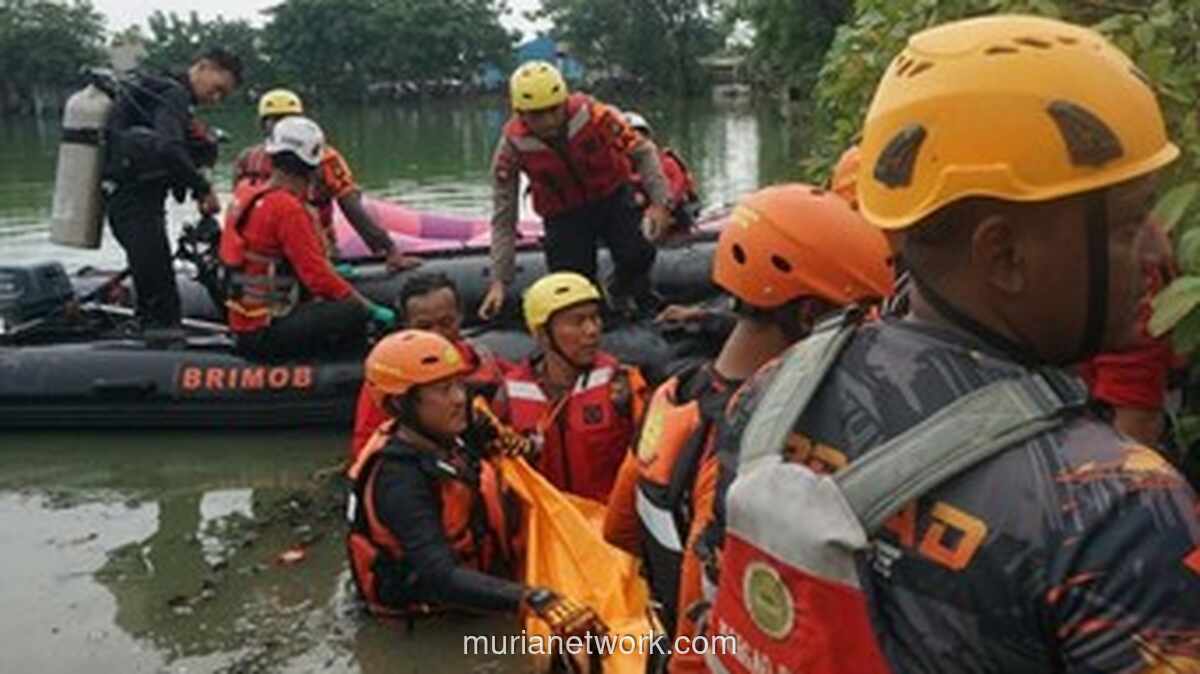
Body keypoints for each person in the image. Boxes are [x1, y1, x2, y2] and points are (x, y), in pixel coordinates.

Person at [704, 15, 1200, 674]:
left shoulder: (773, 393)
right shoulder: (1120, 508)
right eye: (1129, 223)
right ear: (1004, 255)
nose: (1157, 250)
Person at [602, 184, 894, 673]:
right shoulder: (751, 449)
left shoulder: (671, 398)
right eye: (860, 318)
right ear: (808, 317)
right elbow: (705, 626)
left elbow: (618, 530)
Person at [347, 329, 606, 638]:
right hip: (430, 629)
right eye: (443, 390)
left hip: (478, 593)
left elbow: (490, 437)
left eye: (458, 384)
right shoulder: (399, 481)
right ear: (401, 406)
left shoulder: (450, 434)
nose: (459, 399)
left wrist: (507, 440)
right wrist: (531, 597)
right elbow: (438, 577)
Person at [479, 61, 674, 320]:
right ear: (520, 113)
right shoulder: (511, 149)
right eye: (537, 115)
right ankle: (599, 317)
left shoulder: (595, 115)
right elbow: (504, 218)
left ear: (564, 101)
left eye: (553, 110)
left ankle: (625, 291)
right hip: (563, 215)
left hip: (612, 197)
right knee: (572, 282)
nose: (548, 121)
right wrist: (499, 281)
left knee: (637, 253)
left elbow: (644, 152)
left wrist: (660, 204)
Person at [219, 116, 395, 360]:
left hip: (244, 320)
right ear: (314, 164)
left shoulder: (249, 192)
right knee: (351, 312)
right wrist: (369, 309)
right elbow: (318, 279)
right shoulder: (288, 209)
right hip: (265, 329)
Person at [103, 47, 242, 334]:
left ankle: (150, 332)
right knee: (161, 300)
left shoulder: (160, 92)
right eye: (217, 89)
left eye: (223, 96)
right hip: (133, 204)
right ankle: (157, 344)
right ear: (203, 67)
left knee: (154, 282)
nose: (215, 99)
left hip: (134, 201)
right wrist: (203, 189)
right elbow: (168, 147)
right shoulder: (173, 94)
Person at [491, 272, 649, 502]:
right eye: (577, 322)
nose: (592, 330)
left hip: (605, 528)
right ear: (543, 335)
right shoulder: (510, 395)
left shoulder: (621, 385)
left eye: (595, 318)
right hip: (546, 528)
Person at [232, 88, 421, 271]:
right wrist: (389, 250)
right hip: (312, 253)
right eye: (278, 119)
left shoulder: (246, 158)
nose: (283, 125)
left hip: (259, 258)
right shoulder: (326, 157)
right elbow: (352, 207)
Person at [349, 272, 511, 461]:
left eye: (446, 323)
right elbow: (366, 445)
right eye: (424, 327)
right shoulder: (390, 377)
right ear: (406, 326)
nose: (436, 335)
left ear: (460, 317)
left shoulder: (484, 360)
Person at [624, 110, 700, 233]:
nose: (633, 143)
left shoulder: (667, 163)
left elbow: (673, 193)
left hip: (672, 214)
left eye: (637, 136)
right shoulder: (618, 168)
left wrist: (654, 207)